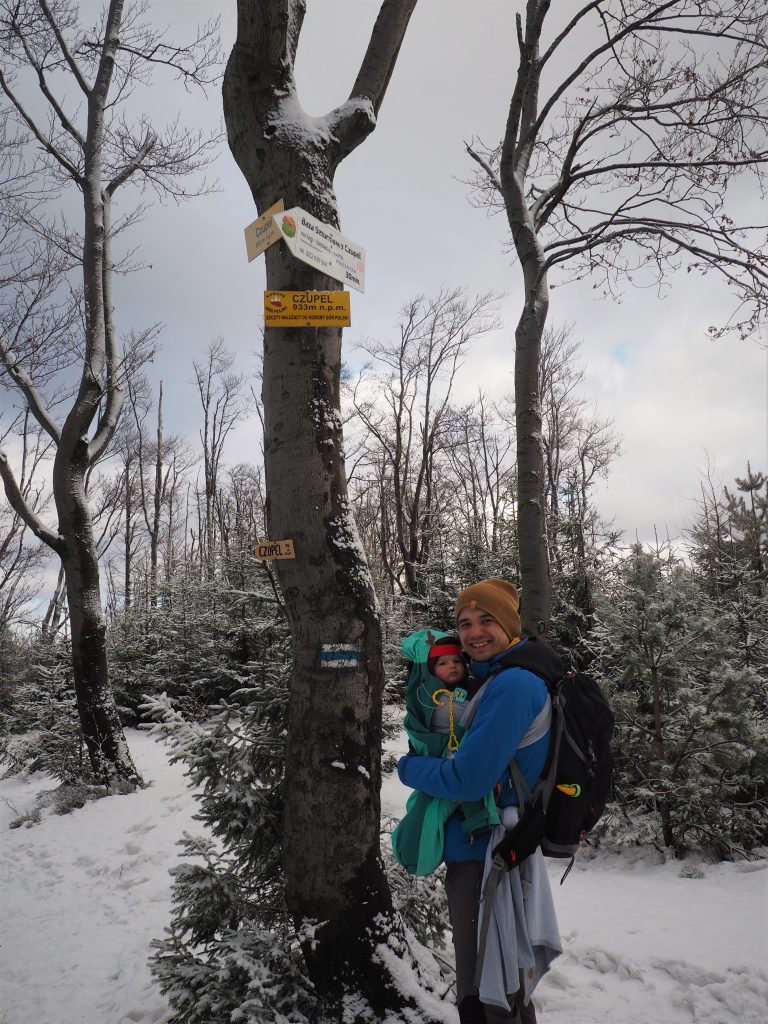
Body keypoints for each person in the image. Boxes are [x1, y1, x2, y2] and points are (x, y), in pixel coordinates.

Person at [397, 579, 564, 1024]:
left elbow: (468, 779)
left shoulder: (512, 686)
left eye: (487, 620)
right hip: (488, 849)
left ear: (509, 625)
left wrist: (408, 768)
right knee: (501, 985)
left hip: (487, 856)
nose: (474, 633)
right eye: (465, 623)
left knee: (485, 996)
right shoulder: (495, 681)